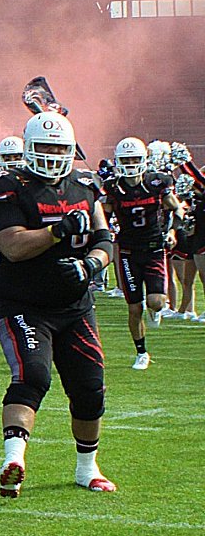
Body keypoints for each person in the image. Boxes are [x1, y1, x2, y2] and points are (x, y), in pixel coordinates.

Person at [0, 112, 116, 497]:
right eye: (44, 147)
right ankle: (14, 459)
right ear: (28, 148)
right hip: (23, 304)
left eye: (59, 148)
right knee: (33, 375)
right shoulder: (10, 188)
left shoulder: (85, 186)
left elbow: (104, 239)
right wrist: (57, 231)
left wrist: (91, 265)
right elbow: (12, 246)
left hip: (75, 307)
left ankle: (87, 468)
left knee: (90, 388)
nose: (52, 155)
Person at [102, 136, 184, 370]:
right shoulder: (114, 188)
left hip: (154, 248)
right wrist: (105, 231)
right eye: (125, 160)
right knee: (134, 307)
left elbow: (177, 208)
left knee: (156, 302)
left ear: (144, 159)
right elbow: (104, 216)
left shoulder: (156, 183)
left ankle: (155, 310)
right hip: (128, 251)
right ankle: (141, 352)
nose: (130, 164)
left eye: (134, 159)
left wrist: (172, 232)